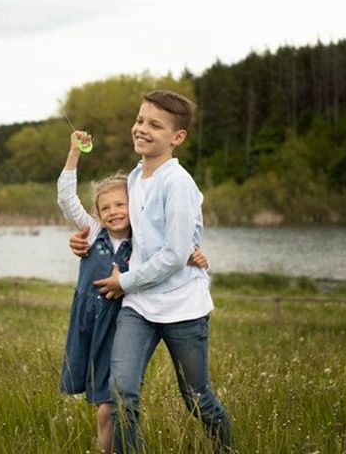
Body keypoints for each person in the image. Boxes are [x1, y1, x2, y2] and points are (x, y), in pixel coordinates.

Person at [76, 90, 234, 453]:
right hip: (140, 306)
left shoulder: (177, 184)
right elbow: (125, 227)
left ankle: (228, 449)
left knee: (197, 398)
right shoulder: (134, 178)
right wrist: (84, 240)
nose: (142, 129)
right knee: (121, 392)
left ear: (177, 137)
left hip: (183, 308)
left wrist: (123, 281)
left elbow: (173, 255)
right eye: (140, 120)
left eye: (155, 125)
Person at [57, 130, 208, 454]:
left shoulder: (140, 240)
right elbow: (67, 199)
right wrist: (74, 154)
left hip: (121, 320)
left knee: (111, 400)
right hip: (88, 320)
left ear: (133, 205)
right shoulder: (93, 231)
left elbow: (174, 242)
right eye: (105, 207)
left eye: (120, 204)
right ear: (97, 214)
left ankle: (109, 446)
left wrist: (195, 253)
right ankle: (106, 446)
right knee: (101, 398)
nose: (113, 212)